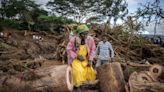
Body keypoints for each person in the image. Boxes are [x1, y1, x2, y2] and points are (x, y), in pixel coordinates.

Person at [66, 24, 96, 92]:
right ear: (79, 34)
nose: (85, 36)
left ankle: (84, 84)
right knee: (78, 71)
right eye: (83, 34)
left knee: (90, 71)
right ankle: (77, 86)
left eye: (86, 34)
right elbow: (68, 49)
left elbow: (93, 49)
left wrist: (90, 60)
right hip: (75, 59)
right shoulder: (74, 39)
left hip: (85, 59)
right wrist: (77, 56)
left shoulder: (90, 39)